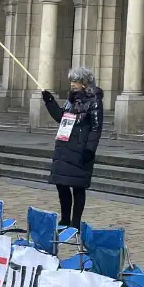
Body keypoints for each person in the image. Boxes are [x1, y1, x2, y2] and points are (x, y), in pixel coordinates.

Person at [41, 66, 104, 233]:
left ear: (84, 83)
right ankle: (65, 218)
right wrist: (50, 102)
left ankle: (75, 222)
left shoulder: (94, 101)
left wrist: (90, 149)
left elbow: (96, 128)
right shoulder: (70, 100)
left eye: (75, 81)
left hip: (81, 149)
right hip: (65, 146)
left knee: (78, 186)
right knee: (61, 184)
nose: (72, 84)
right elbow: (62, 117)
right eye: (72, 81)